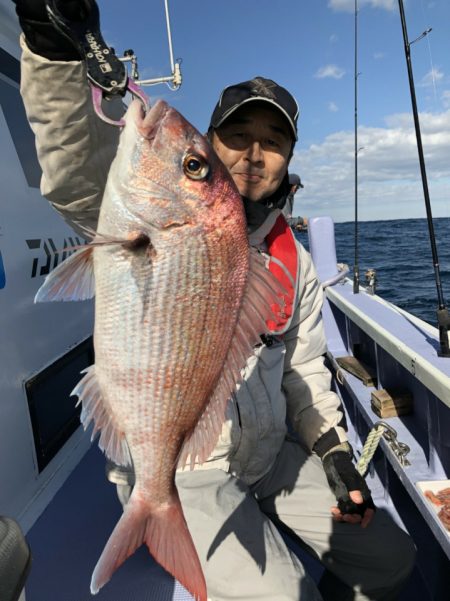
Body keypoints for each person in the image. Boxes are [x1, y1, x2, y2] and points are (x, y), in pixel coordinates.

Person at [13, 2, 416, 600]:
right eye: (234, 138)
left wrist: (331, 447)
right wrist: (51, 49)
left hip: (266, 454)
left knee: (391, 556)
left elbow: (304, 368)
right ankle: (155, 508)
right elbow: (73, 163)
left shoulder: (292, 260)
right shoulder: (127, 210)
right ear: (215, 142)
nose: (255, 154)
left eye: (274, 142)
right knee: (287, 594)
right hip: (180, 467)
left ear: (288, 160)